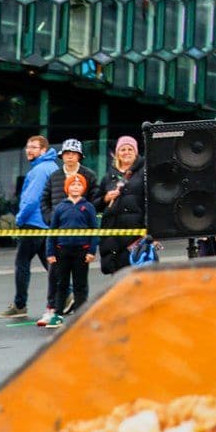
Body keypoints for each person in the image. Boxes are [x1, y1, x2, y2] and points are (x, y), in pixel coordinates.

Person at [5, 133, 58, 319]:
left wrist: (19, 219)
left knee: (22, 263)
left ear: (43, 150)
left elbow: (31, 199)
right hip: (46, 223)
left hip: (33, 223)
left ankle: (20, 305)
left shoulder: (38, 170)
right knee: (49, 262)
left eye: (34, 147)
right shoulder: (52, 166)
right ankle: (66, 295)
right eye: (28, 146)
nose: (29, 150)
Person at [41, 171, 99, 327]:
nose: (75, 187)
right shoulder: (60, 208)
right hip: (62, 251)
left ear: (84, 188)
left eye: (79, 184)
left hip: (81, 251)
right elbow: (52, 231)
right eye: (72, 184)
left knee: (81, 284)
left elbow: (94, 231)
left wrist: (91, 251)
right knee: (62, 284)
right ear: (67, 188)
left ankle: (81, 314)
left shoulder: (88, 207)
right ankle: (58, 314)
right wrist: (51, 252)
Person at [92, 137, 145, 273]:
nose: (126, 152)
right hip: (113, 236)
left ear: (136, 152)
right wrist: (105, 198)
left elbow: (152, 203)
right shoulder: (109, 176)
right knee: (118, 278)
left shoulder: (144, 173)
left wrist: (149, 231)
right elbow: (95, 204)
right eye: (122, 149)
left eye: (130, 149)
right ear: (117, 153)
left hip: (136, 235)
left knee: (138, 277)